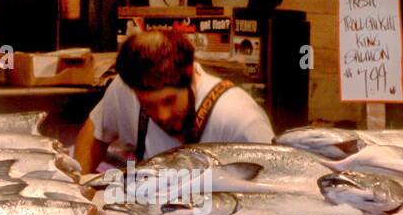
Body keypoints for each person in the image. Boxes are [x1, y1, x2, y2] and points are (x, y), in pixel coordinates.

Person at [74, 29, 274, 171]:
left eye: (169, 101)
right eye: (148, 105)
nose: (162, 115)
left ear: (189, 76)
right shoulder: (124, 90)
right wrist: (79, 191)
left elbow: (277, 189)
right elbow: (95, 130)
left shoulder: (240, 117)